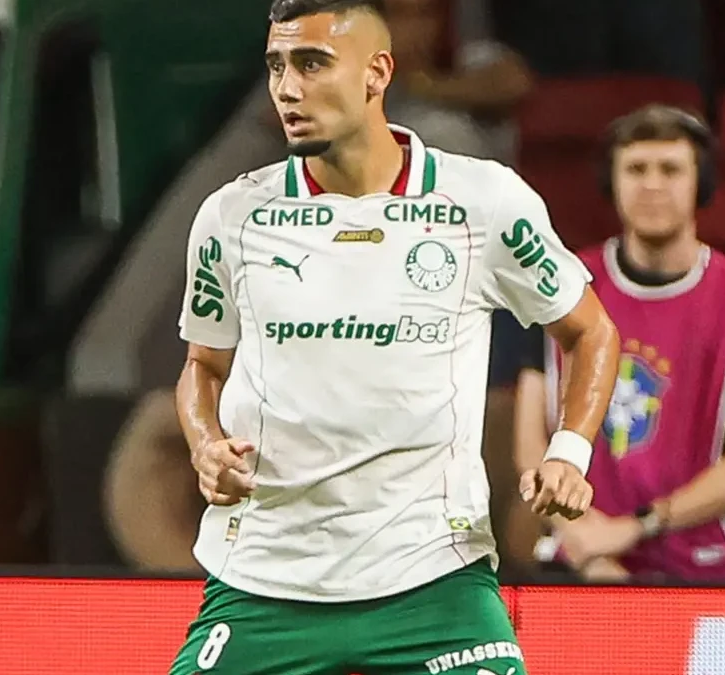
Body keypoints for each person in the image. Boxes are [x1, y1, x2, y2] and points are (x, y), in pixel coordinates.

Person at [169, 1, 620, 673]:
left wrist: (569, 452)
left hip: (435, 579)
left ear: (378, 73)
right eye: (276, 66)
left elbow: (591, 331)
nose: (287, 88)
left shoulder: (482, 202)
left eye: (312, 64)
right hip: (265, 579)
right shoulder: (232, 216)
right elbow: (203, 365)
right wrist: (205, 443)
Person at [510, 104, 725, 584]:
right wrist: (585, 539)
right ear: (611, 182)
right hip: (578, 566)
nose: (651, 185)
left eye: (670, 169)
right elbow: (528, 445)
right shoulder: (561, 288)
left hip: (707, 573)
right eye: (636, 169)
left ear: (700, 183)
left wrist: (632, 529)